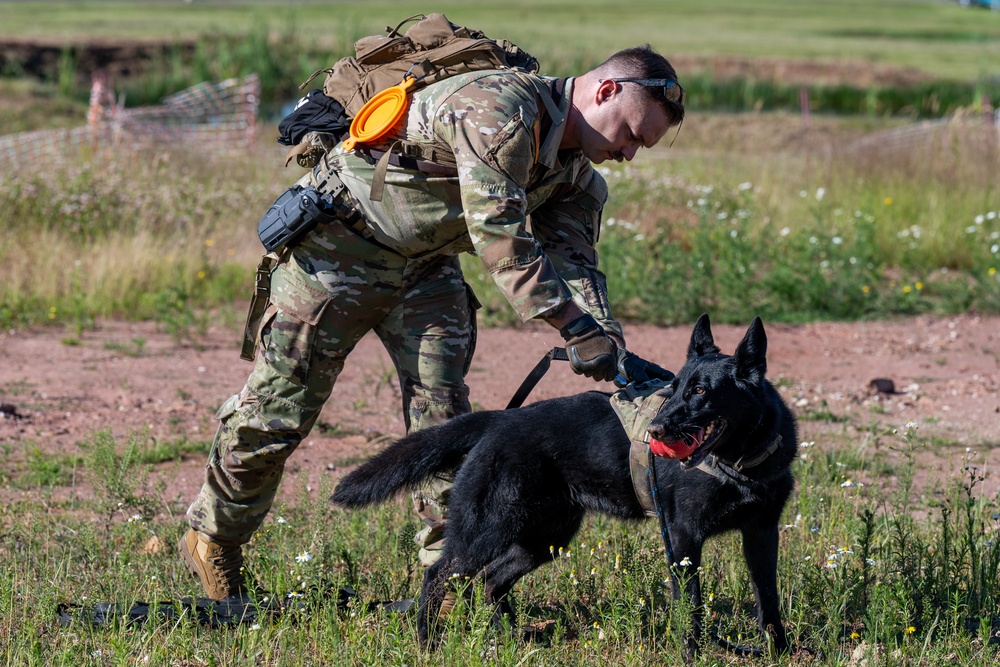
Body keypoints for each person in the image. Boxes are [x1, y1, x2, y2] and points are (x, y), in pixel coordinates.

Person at [178, 44, 685, 600]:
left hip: (425, 268)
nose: (630, 153)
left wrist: (604, 336)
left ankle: (451, 579)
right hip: (340, 252)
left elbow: (578, 265)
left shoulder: (578, 180)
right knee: (278, 411)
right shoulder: (498, 108)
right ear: (606, 91)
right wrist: (571, 325)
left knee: (444, 421)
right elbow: (499, 235)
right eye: (633, 134)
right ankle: (214, 538)